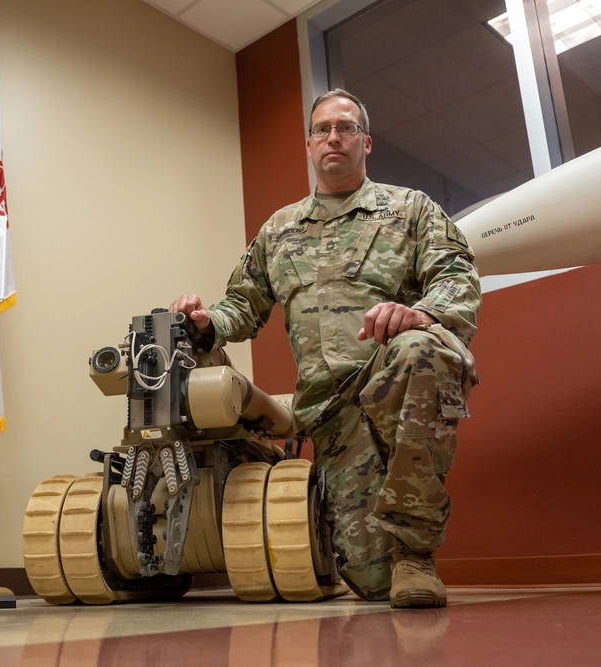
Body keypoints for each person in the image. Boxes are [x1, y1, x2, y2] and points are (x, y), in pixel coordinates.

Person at [171, 89, 480, 608]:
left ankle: (416, 555)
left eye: (345, 127)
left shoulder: (410, 209)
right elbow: (242, 307)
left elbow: (457, 278)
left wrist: (420, 315)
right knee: (371, 582)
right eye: (321, 130)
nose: (333, 137)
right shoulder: (279, 230)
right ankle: (387, 562)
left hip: (394, 376)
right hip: (331, 411)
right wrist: (204, 323)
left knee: (421, 351)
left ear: (366, 141)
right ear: (309, 145)